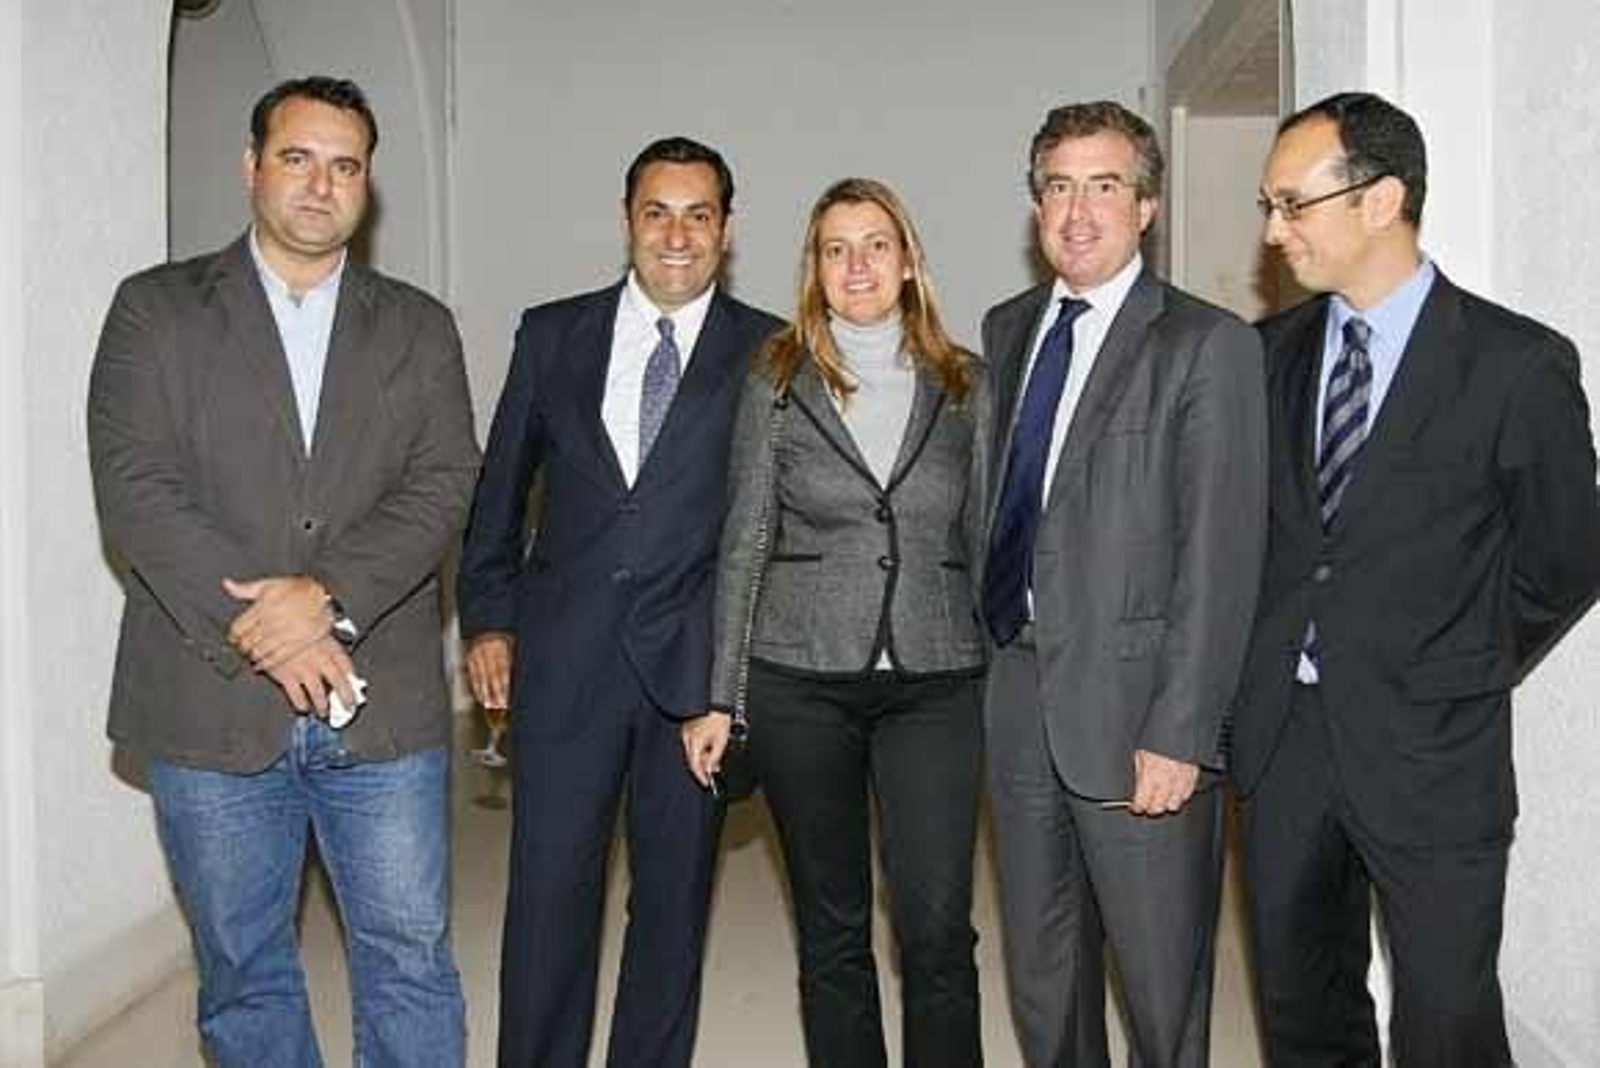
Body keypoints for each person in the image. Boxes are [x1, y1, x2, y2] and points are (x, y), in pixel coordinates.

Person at [86, 77, 477, 1068]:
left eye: (344, 165)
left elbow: (443, 485)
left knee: (410, 958)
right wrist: (268, 623)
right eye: (298, 157)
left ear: (368, 186)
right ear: (252, 166)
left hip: (378, 701)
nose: (320, 183)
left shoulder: (420, 325)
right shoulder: (155, 310)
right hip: (207, 695)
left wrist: (323, 597)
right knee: (244, 965)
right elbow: (136, 485)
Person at [1232, 90, 1600, 1068]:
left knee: (1444, 1023)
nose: (1272, 233)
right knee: (1302, 1010)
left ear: (1381, 200)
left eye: (1291, 205)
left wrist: (1459, 656)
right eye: (1267, 207)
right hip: (1285, 744)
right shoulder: (1264, 357)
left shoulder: (1514, 366)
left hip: (1434, 747)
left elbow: (1566, 555)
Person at [456, 136, 780, 1068]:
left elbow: (772, 523)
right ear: (627, 220)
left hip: (695, 679)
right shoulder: (550, 334)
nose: (676, 235)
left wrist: (737, 678)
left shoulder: (769, 350)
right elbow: (500, 494)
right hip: (565, 664)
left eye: (699, 215)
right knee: (549, 893)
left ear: (727, 227)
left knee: (672, 905)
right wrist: (490, 618)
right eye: (657, 213)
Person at [977, 101, 1267, 1067]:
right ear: (1035, 205)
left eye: (1105, 186)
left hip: (1143, 716)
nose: (1078, 210)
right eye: (1058, 186)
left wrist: (1181, 731)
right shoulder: (1009, 328)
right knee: (1043, 978)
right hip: (1020, 697)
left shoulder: (1206, 343)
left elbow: (1220, 559)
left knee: (1159, 993)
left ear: (1146, 206)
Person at [683, 177, 988, 1068]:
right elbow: (745, 538)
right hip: (799, 679)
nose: (858, 265)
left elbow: (988, 536)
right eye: (836, 249)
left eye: (876, 244)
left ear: (909, 261)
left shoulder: (968, 382)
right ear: (814, 269)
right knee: (832, 929)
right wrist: (719, 698)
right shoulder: (776, 378)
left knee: (937, 924)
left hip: (937, 681)